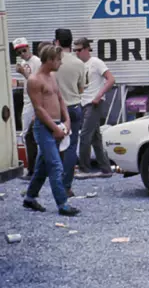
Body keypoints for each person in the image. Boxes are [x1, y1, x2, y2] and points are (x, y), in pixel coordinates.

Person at [21, 45, 81, 216]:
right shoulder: (34, 80)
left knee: (43, 167)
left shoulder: (52, 77)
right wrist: (55, 128)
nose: (60, 63)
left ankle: (30, 198)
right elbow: (39, 109)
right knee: (55, 165)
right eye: (58, 60)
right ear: (49, 60)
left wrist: (67, 121)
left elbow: (60, 99)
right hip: (44, 127)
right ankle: (63, 204)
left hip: (56, 124)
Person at [74, 38, 115, 179]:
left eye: (79, 50)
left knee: (85, 136)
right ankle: (106, 169)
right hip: (84, 102)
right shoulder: (79, 65)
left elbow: (111, 79)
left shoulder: (96, 62)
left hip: (94, 103)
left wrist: (99, 96)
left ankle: (84, 169)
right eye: (75, 50)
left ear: (86, 49)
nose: (76, 53)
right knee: (95, 138)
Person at [54, 29, 86, 197]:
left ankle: (55, 182)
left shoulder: (52, 60)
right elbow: (81, 87)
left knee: (54, 146)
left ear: (57, 42)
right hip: (74, 107)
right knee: (72, 146)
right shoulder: (79, 63)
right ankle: (67, 186)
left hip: (56, 109)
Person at [13, 37, 42, 180]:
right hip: (28, 100)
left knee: (28, 135)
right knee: (28, 135)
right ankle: (34, 168)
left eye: (24, 50)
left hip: (34, 101)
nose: (22, 54)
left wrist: (23, 74)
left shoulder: (36, 61)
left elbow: (37, 82)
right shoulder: (24, 62)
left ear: (29, 48)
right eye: (19, 52)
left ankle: (32, 169)